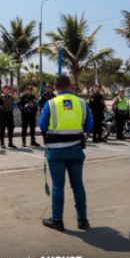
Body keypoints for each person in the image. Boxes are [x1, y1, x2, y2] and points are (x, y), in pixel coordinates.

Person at [38, 75, 93, 231]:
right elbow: (89, 126)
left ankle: (57, 220)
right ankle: (82, 220)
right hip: (76, 148)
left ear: (54, 88)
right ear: (70, 86)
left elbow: (42, 126)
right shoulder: (82, 103)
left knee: (57, 186)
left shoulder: (51, 103)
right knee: (77, 185)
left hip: (55, 150)